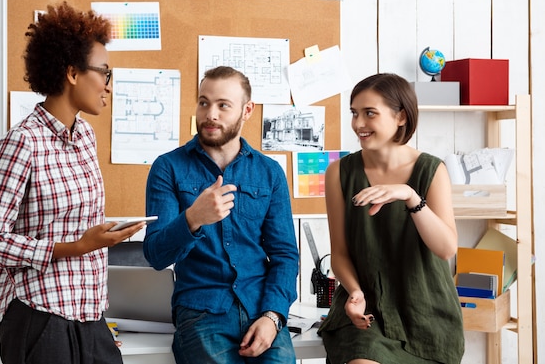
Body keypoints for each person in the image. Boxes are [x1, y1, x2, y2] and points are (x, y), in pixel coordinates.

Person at [0, 2, 144, 364]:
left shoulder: (85, 137)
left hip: (89, 317)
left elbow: (73, 222)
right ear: (72, 73)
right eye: (105, 73)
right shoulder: (23, 142)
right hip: (39, 315)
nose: (109, 85)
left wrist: (101, 236)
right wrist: (73, 247)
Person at [143, 66, 299, 364]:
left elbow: (285, 255)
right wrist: (193, 219)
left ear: (247, 110)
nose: (210, 114)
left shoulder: (270, 173)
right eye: (204, 102)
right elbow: (155, 255)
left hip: (261, 309)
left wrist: (273, 315)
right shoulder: (168, 168)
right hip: (202, 311)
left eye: (223, 105)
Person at [318, 73, 465, 364]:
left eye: (369, 113)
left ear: (400, 116)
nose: (358, 124)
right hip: (366, 310)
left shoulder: (432, 171)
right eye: (354, 113)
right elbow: (340, 253)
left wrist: (411, 197)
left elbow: (446, 248)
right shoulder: (339, 173)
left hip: (425, 313)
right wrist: (355, 292)